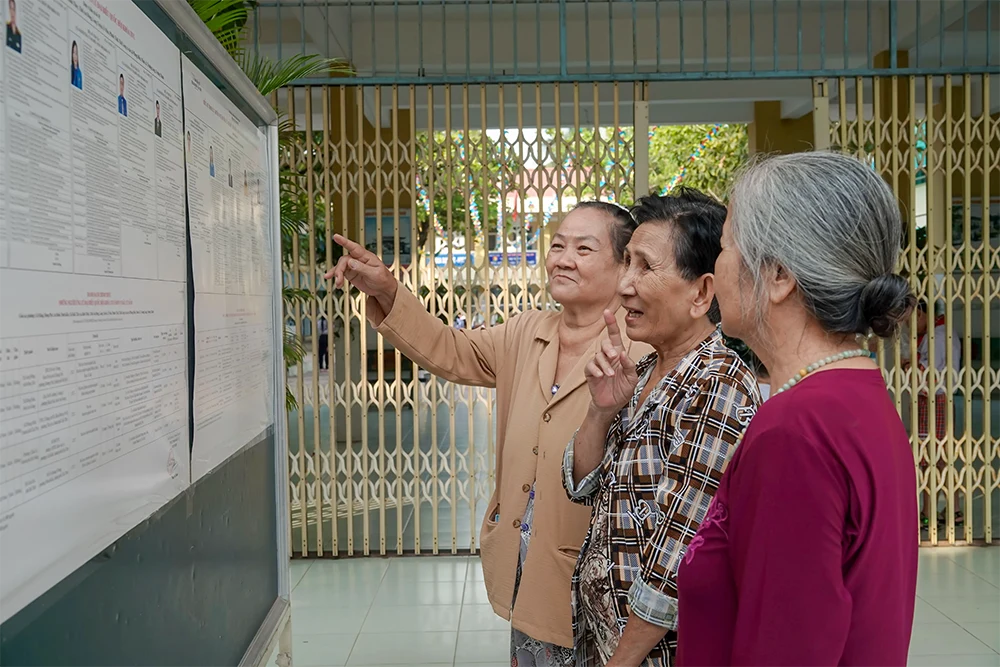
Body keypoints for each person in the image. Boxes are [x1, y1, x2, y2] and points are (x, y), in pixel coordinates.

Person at [325, 202, 651, 667]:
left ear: (624, 266)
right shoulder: (526, 331)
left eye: (583, 249)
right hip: (526, 569)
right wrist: (388, 290)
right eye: (558, 246)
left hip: (600, 581)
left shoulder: (640, 352)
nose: (563, 259)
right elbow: (448, 348)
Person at [676, 152, 918, 667]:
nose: (716, 268)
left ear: (779, 275)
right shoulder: (854, 392)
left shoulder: (795, 432)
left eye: (726, 247)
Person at [563, 190, 760, 667]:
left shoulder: (718, 386)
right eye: (627, 262)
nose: (624, 284)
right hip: (607, 643)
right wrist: (601, 412)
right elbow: (581, 486)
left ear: (701, 294)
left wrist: (621, 661)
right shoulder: (645, 370)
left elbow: (678, 555)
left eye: (645, 267)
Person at [903, 299, 962, 527]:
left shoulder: (936, 336)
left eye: (908, 321)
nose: (908, 327)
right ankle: (953, 511)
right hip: (941, 400)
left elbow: (927, 375)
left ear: (919, 313)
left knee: (930, 459)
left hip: (933, 402)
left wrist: (908, 365)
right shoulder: (943, 331)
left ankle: (927, 514)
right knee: (943, 459)